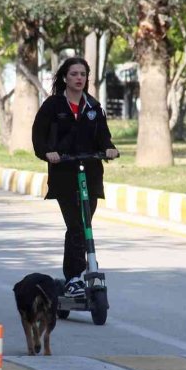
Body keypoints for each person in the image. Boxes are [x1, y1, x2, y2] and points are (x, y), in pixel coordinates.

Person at [32, 56, 119, 296]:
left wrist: (109, 148)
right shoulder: (53, 105)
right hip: (64, 173)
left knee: (85, 225)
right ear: (64, 77)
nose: (79, 78)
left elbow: (103, 135)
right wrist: (47, 153)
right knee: (76, 225)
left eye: (83, 74)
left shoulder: (92, 106)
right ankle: (73, 276)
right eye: (74, 74)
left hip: (90, 173)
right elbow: (38, 135)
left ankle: (80, 273)